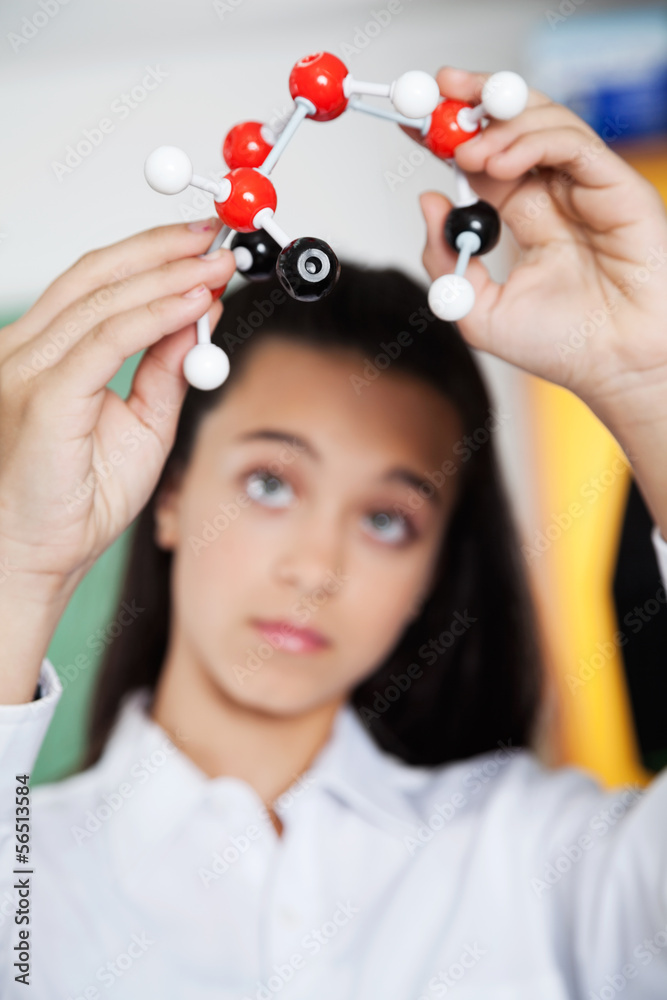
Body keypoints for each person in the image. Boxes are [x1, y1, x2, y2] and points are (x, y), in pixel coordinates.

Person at [1, 66, 666, 999]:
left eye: (390, 518)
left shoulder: (550, 868)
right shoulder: (28, 880)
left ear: (437, 566)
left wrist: (651, 382)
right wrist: (17, 574)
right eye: (270, 482)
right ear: (173, 491)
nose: (317, 566)